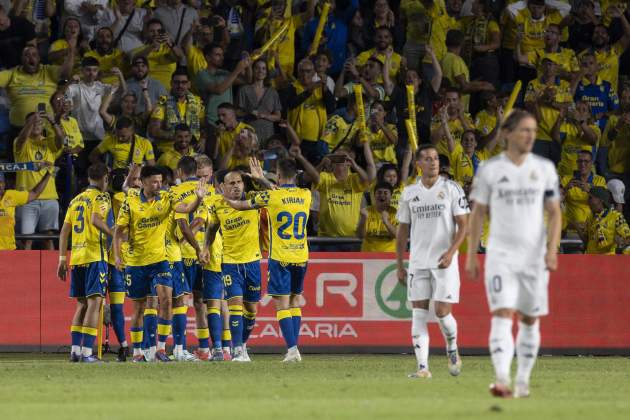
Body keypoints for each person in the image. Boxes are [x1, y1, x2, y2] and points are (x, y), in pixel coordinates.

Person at [466, 109, 562, 398]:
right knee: (502, 313)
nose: (531, 135)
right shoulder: (490, 169)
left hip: (533, 257)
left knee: (530, 319)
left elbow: (555, 213)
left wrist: (552, 250)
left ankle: (522, 380)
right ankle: (501, 379)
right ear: (507, 133)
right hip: (501, 255)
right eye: (525, 130)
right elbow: (477, 213)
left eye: (533, 130)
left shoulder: (544, 168)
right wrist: (471, 255)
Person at [221, 158, 312, 362]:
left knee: (281, 304)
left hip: (280, 257)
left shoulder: (270, 197)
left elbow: (240, 205)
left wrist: (223, 199)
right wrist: (262, 179)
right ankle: (295, 348)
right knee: (295, 301)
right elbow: (281, 193)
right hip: (301, 255)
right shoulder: (306, 195)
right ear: (295, 176)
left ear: (278, 176)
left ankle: (292, 349)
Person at [113, 165, 204, 362]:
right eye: (154, 181)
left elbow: (186, 209)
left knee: (167, 300)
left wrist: (198, 198)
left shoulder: (167, 197)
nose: (158, 185)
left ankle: (160, 349)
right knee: (139, 308)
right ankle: (137, 352)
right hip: (136, 262)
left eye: (160, 181)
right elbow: (118, 231)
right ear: (143, 182)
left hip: (160, 260)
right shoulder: (130, 202)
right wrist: (117, 256)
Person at [396, 144, 469, 379]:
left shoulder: (452, 189)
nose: (433, 162)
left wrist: (451, 252)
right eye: (427, 159)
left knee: (441, 312)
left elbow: (464, 225)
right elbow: (402, 231)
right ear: (418, 164)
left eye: (436, 158)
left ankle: (452, 346)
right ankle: (422, 368)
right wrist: (399, 263)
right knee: (418, 313)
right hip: (418, 262)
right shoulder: (409, 193)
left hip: (444, 261)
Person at [202, 162, 273, 362]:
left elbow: (276, 195)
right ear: (222, 187)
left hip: (252, 263)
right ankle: (237, 350)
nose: (236, 186)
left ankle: (242, 345)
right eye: (231, 183)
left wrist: (261, 179)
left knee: (250, 310)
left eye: (239, 182)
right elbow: (212, 228)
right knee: (234, 307)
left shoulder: (253, 201)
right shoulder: (218, 205)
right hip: (230, 264)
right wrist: (206, 247)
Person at [57, 163, 112, 362]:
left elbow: (64, 232)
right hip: (95, 256)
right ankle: (88, 352)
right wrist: (113, 233)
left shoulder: (75, 201)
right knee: (94, 304)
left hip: (77, 258)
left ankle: (75, 351)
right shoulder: (101, 197)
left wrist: (62, 259)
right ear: (105, 178)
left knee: (81, 304)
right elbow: (97, 220)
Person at [14, 111, 65, 250]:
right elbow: (22, 138)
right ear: (26, 125)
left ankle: (53, 270)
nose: (36, 124)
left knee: (48, 238)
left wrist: (53, 122)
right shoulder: (20, 143)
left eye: (39, 122)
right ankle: (23, 270)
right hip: (27, 198)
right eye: (32, 122)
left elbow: (61, 140)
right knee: (27, 240)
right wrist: (32, 121)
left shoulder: (49, 143)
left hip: (50, 198)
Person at [313, 142, 376, 247]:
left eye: (343, 158)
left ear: (348, 162)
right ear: (332, 161)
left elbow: (368, 179)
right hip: (328, 239)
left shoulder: (354, 179)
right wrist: (322, 163)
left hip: (352, 238)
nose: (340, 160)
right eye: (336, 158)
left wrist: (354, 164)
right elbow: (312, 176)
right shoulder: (325, 177)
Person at [194, 43, 251, 131]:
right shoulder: (202, 74)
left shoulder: (224, 73)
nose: (222, 57)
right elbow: (218, 90)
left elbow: (247, 80)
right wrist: (237, 70)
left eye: (222, 55)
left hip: (228, 121)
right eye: (218, 55)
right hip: (212, 122)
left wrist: (248, 64)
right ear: (208, 57)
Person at [149, 67, 206, 153]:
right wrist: (179, 137)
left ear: (189, 84)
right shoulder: (163, 102)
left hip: (192, 150)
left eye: (184, 83)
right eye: (177, 82)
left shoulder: (197, 101)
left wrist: (203, 139)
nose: (180, 86)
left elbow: (203, 126)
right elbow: (154, 130)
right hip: (168, 150)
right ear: (171, 83)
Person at [0, 167, 52, 250]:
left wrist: (48, 174)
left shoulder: (11, 195)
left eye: (1, 182)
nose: (0, 185)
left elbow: (34, 193)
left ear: (4, 184)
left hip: (8, 249)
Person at [130, 18, 184, 90]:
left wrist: (171, 43)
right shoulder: (141, 50)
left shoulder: (169, 49)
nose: (156, 34)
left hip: (167, 90)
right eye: (152, 31)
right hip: (147, 90)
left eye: (158, 31)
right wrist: (152, 47)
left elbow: (180, 57)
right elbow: (135, 59)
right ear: (146, 33)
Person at [237, 59, 282, 143]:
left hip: (268, 134)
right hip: (249, 132)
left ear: (266, 72)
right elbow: (237, 112)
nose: (260, 71)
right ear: (253, 70)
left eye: (263, 68)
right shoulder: (244, 90)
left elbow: (278, 116)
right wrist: (249, 112)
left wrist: (264, 116)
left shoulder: (272, 92)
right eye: (257, 68)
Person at [575, 186, 630, 254]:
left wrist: (621, 241)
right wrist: (578, 229)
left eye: (590, 198)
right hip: (591, 257)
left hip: (609, 259)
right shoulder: (590, 217)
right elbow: (587, 241)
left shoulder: (616, 216)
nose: (588, 201)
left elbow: (628, 238)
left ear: (601, 200)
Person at [562, 150, 607, 231]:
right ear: (576, 163)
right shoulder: (567, 179)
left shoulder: (600, 180)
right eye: (580, 161)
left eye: (586, 161)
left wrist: (590, 190)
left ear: (592, 163)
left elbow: (604, 203)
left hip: (594, 228)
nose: (582, 164)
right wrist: (565, 189)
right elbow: (556, 201)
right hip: (572, 226)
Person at [90, 117, 155, 170]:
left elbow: (151, 166)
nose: (119, 138)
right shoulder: (110, 140)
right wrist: (104, 169)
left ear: (132, 131)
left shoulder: (144, 143)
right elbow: (93, 156)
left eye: (123, 136)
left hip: (137, 180)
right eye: (117, 135)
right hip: (117, 179)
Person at [358, 181, 398, 252]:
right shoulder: (366, 211)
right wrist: (363, 220)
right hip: (368, 255)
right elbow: (361, 236)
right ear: (374, 195)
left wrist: (386, 222)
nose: (382, 195)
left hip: (389, 256)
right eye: (379, 192)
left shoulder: (396, 213)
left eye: (385, 193)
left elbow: (397, 235)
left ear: (391, 196)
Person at [0, 4, 36, 69]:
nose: (1, 22)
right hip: (5, 67)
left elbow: (32, 51)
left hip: (24, 65)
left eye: (0, 16)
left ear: (4, 12)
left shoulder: (23, 24)